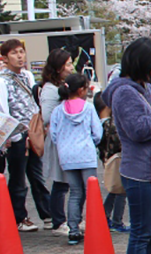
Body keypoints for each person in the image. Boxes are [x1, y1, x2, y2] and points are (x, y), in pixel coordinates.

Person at [102, 38, 151, 254]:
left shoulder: (144, 87)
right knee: (141, 233)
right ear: (141, 63)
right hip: (139, 172)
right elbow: (139, 129)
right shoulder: (125, 92)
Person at [0, 39, 51, 232]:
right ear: (5, 57)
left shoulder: (27, 76)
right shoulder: (0, 81)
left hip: (32, 132)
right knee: (17, 178)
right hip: (16, 137)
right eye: (14, 53)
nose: (19, 56)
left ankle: (47, 214)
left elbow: (34, 103)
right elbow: (3, 112)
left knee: (37, 175)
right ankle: (19, 217)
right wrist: (16, 136)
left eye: (21, 52)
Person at [49, 74, 103, 245]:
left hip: (67, 156)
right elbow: (97, 133)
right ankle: (94, 227)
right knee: (91, 192)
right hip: (86, 155)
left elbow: (54, 135)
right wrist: (90, 144)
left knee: (75, 193)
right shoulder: (88, 108)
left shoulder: (58, 110)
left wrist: (65, 146)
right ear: (81, 90)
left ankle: (73, 230)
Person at [39, 49, 76, 236]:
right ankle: (58, 222)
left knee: (66, 182)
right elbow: (46, 116)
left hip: (65, 140)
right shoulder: (51, 90)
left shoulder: (60, 85)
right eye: (68, 64)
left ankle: (67, 219)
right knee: (60, 183)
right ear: (58, 67)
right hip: (58, 142)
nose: (71, 67)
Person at [94, 92, 130, 233]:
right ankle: (117, 221)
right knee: (120, 189)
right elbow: (118, 143)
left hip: (106, 159)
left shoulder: (98, 123)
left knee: (115, 188)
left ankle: (105, 216)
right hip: (116, 159)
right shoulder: (110, 125)